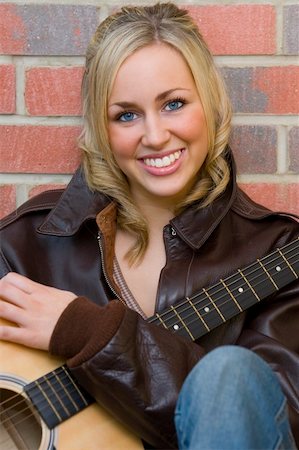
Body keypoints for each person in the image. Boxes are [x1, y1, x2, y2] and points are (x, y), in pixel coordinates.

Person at [0, 2, 298, 449]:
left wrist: (88, 334)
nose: (155, 135)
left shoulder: (277, 251)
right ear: (102, 129)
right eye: (126, 115)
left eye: (173, 104)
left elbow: (274, 423)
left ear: (210, 104)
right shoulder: (23, 247)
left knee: (228, 376)